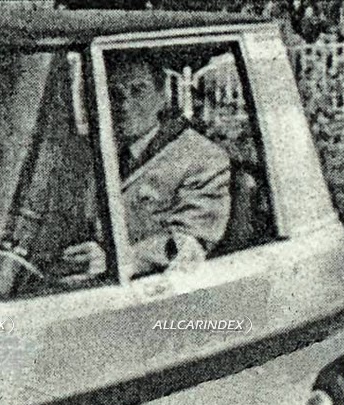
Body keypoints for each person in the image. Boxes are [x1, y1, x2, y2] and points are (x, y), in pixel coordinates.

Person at [60, 52, 232, 281]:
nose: (125, 105)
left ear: (162, 96)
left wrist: (117, 261)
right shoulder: (95, 151)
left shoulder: (202, 157)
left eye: (138, 90)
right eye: (115, 94)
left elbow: (190, 243)